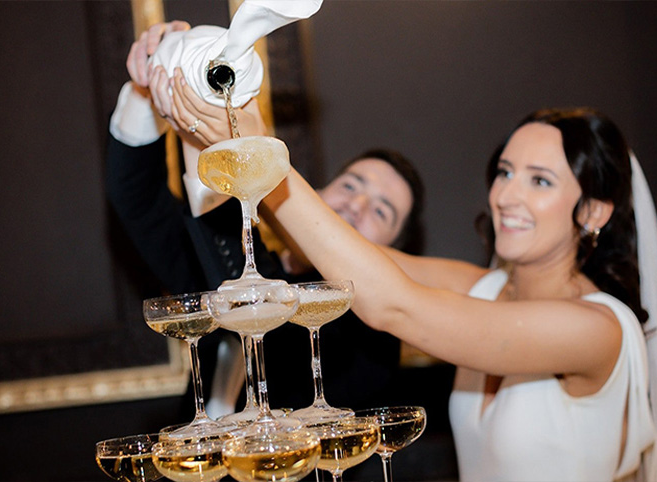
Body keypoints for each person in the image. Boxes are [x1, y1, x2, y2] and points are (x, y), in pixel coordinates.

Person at [163, 101, 657, 480]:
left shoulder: (596, 328)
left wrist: (266, 156)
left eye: (539, 180)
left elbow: (395, 306)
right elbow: (345, 257)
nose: (506, 195)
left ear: (594, 212)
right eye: (505, 171)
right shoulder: (485, 288)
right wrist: (208, 127)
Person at [106, 22, 426, 415]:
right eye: (350, 185)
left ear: (394, 250)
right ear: (317, 192)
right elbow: (138, 201)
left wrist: (210, 143)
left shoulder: (372, 338)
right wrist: (150, 88)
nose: (356, 204)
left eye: (381, 211)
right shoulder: (235, 254)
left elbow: (268, 324)